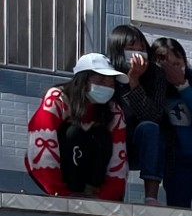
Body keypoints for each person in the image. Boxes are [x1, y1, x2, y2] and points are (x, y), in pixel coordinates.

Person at [24, 55, 129, 202]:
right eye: (100, 81)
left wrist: (105, 198)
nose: (106, 87)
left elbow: (119, 157)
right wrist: (58, 192)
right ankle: (71, 188)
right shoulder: (57, 98)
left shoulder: (114, 111)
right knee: (74, 133)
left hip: (93, 182)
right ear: (82, 81)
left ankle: (91, 189)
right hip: (57, 176)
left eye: (111, 83)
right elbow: (41, 145)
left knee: (101, 136)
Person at [148, 38, 192, 211]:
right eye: (166, 66)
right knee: (179, 212)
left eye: (177, 64)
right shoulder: (153, 85)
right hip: (175, 161)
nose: (172, 70)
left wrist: (183, 85)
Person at [108, 24, 167, 205]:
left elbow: (153, 116)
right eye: (131, 49)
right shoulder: (107, 72)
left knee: (150, 128)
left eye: (141, 49)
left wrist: (134, 82)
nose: (138, 54)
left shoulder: (155, 74)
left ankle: (151, 197)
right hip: (112, 137)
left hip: (141, 142)